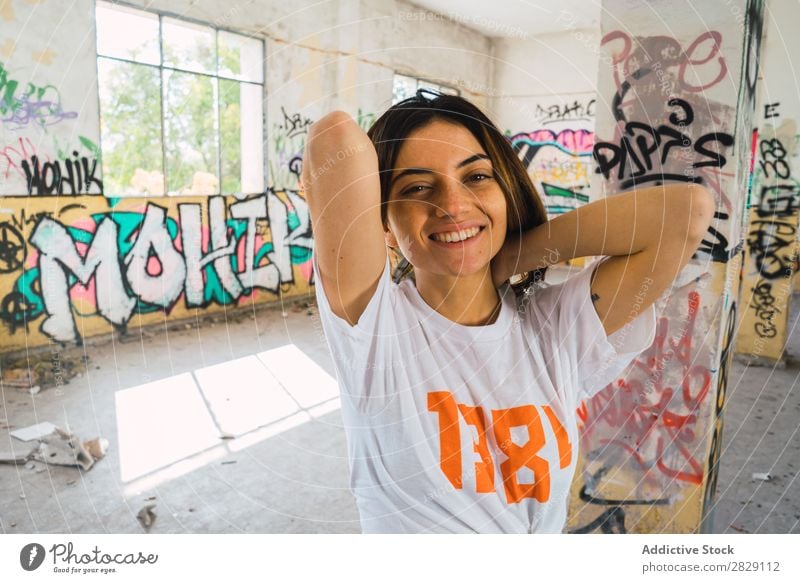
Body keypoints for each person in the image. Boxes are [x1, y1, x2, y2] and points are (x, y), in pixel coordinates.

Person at [302, 90, 715, 534]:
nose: (453, 205)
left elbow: (687, 213)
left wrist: (513, 255)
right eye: (418, 187)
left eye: (477, 177)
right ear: (385, 223)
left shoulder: (554, 326)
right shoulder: (373, 330)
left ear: (507, 191)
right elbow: (336, 138)